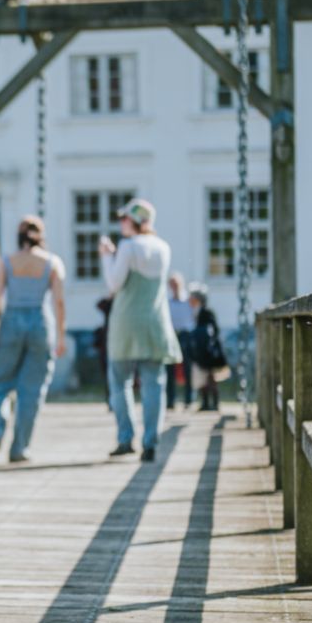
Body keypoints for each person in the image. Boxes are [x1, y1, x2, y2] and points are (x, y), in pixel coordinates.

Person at [98, 198, 182, 462]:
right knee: (154, 384)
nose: (121, 222)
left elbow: (113, 283)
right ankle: (151, 442)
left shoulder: (128, 247)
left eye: (124, 218)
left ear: (135, 222)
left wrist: (106, 256)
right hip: (155, 322)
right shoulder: (163, 248)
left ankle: (125, 438)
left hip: (125, 322)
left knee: (119, 381)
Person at [0, 216, 66, 463]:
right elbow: (59, 301)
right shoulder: (52, 262)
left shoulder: (7, 261)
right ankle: (19, 448)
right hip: (41, 323)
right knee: (31, 390)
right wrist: (60, 335)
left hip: (11, 322)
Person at [187, 285, 227, 411]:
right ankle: (205, 402)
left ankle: (214, 403)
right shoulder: (194, 311)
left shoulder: (206, 311)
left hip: (208, 350)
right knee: (201, 377)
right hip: (199, 349)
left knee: (211, 377)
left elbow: (214, 329)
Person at [166, 272, 195, 410]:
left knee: (187, 368)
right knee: (169, 369)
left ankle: (189, 399)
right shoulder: (167, 302)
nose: (174, 287)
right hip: (172, 335)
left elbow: (193, 318)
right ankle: (170, 400)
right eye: (171, 285)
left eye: (176, 284)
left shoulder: (188, 301)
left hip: (185, 335)